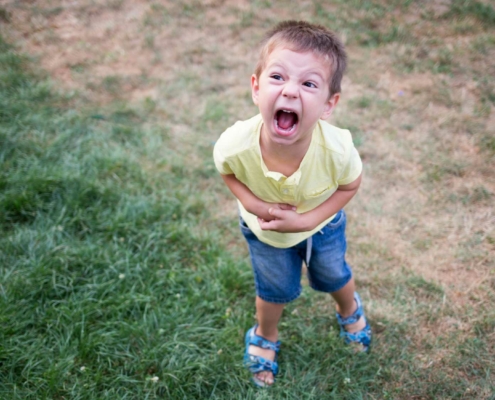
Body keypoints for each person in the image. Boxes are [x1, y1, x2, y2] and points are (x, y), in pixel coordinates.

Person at [213, 20, 371, 387]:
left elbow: (350, 185)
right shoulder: (235, 143)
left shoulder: (337, 150)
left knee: (333, 274)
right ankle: (266, 336)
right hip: (264, 233)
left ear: (329, 104)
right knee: (273, 289)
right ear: (256, 87)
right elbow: (228, 172)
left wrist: (308, 220)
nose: (290, 91)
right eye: (278, 77)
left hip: (323, 228)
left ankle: (349, 310)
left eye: (309, 84)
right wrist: (252, 203)